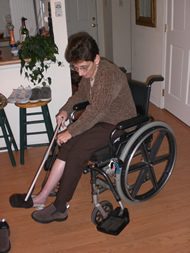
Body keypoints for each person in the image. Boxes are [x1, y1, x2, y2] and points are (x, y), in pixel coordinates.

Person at [31, 33, 137, 223]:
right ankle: (42, 196)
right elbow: (80, 95)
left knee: (77, 152)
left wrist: (70, 131)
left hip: (118, 123)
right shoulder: (91, 72)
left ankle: (60, 208)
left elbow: (95, 111)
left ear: (96, 59)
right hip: (102, 120)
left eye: (82, 67)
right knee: (68, 146)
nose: (79, 73)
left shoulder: (108, 75)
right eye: (75, 68)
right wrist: (65, 110)